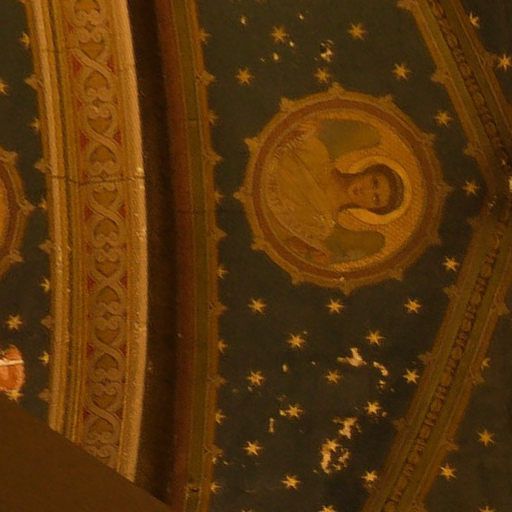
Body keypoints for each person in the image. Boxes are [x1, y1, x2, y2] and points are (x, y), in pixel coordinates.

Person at [265, 124, 404, 265]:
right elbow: (277, 142)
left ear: (370, 209)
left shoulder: (321, 227)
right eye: (374, 182)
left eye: (375, 198)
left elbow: (280, 239)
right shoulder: (318, 154)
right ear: (367, 171)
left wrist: (309, 252)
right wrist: (301, 128)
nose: (366, 191)